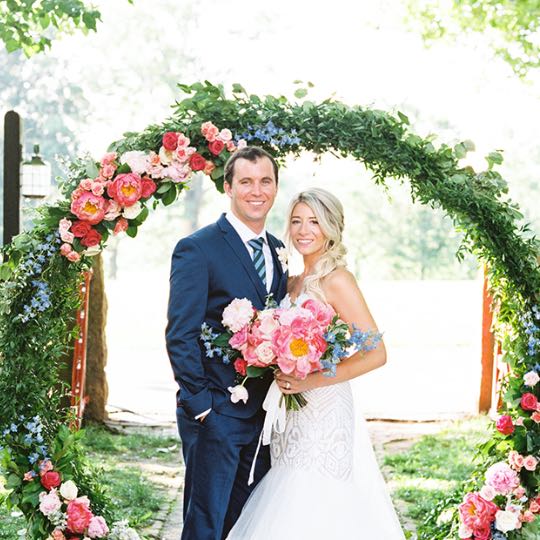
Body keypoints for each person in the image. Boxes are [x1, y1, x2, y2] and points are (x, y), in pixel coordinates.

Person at [227, 187, 406, 539]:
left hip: (323, 409)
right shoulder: (290, 282)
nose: (304, 230)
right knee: (286, 488)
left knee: (315, 495)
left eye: (314, 221)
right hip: (289, 413)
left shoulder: (337, 280)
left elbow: (376, 352)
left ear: (331, 227)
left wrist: (313, 380)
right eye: (296, 221)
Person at [166, 146, 288, 540]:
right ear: (228, 187)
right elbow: (180, 334)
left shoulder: (279, 251)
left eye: (265, 181)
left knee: (247, 523)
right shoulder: (197, 248)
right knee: (205, 525)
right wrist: (202, 406)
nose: (257, 190)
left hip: (265, 418)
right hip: (215, 412)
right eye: (246, 181)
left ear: (275, 188)